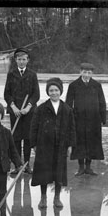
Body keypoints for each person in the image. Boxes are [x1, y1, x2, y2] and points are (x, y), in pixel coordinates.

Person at [30, 77, 76, 209]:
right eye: (51, 90)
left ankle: (57, 197)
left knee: (59, 172)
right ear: (47, 92)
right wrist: (34, 144)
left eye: (56, 90)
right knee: (44, 172)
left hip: (61, 145)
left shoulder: (67, 109)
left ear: (60, 91)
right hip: (44, 145)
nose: (54, 93)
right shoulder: (41, 108)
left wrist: (70, 145)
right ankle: (43, 197)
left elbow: (72, 128)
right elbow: (34, 127)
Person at [66, 62, 107, 176]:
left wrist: (102, 118)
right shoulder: (73, 85)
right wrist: (69, 119)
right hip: (78, 119)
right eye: (84, 72)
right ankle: (80, 168)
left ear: (92, 73)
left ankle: (88, 167)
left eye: (89, 72)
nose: (87, 75)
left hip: (94, 119)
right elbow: (68, 103)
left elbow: (102, 102)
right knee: (79, 142)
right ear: (80, 72)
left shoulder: (97, 85)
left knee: (92, 142)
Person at [4, 47, 40, 174]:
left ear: (28, 60)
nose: (21, 62)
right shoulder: (11, 74)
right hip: (15, 112)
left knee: (28, 139)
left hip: (28, 112)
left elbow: (36, 94)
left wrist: (28, 107)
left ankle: (26, 165)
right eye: (19, 59)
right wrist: (13, 107)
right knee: (16, 139)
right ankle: (17, 165)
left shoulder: (32, 75)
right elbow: (6, 94)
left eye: (24, 59)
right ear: (16, 60)